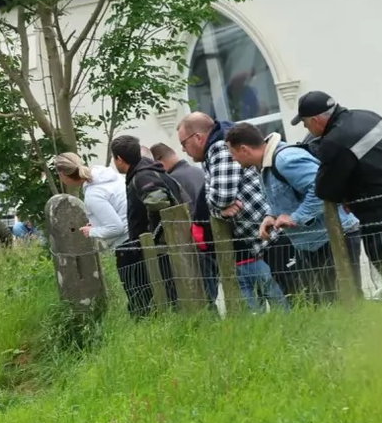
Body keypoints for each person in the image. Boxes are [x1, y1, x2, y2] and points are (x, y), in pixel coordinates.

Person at [292, 90, 382, 287]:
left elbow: (326, 190)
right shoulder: (369, 116)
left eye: (305, 123)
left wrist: (348, 195)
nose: (306, 128)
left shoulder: (334, 141)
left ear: (316, 120)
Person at [226, 122, 362, 304]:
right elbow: (285, 194)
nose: (232, 158)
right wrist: (271, 215)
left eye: (232, 153)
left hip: (334, 237)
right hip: (315, 242)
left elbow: (322, 189)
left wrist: (296, 217)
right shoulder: (265, 164)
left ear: (244, 149)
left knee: (347, 301)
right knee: (330, 303)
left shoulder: (285, 160)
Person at [175, 112, 291, 313]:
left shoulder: (219, 148)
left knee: (287, 300)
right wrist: (219, 210)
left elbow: (222, 197)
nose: (184, 150)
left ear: (198, 137)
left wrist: (215, 207)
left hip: (268, 233)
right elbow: (217, 200)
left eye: (184, 144)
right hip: (261, 233)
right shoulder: (215, 148)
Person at [111, 134, 188, 315]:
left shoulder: (143, 176)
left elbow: (159, 204)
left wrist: (152, 238)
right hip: (164, 245)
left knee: (167, 299)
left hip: (160, 249)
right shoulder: (148, 171)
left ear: (119, 159)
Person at [152, 140, 219, 305]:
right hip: (212, 237)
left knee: (204, 294)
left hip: (194, 241)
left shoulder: (173, 180)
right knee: (213, 287)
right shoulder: (198, 171)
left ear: (159, 161)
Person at [52, 150, 131, 253]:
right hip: (138, 231)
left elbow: (116, 228)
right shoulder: (104, 174)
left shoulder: (93, 195)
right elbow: (117, 208)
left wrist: (91, 231)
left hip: (127, 242)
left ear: (62, 174)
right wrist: (97, 224)